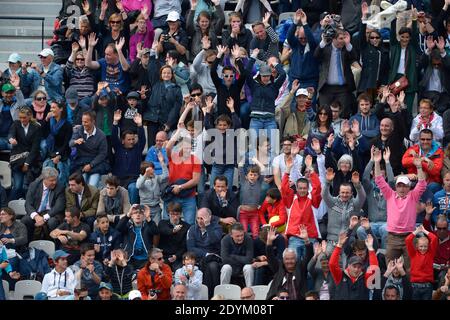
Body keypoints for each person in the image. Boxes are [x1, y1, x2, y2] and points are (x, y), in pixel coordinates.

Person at [374, 147, 427, 270]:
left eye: (404, 186)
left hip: (409, 236)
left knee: (409, 268)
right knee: (390, 268)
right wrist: (377, 162)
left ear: (409, 187)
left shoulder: (413, 196)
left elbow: (422, 184)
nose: (402, 188)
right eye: (399, 186)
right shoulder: (390, 194)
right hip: (392, 237)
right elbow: (379, 180)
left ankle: (408, 289)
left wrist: (419, 167)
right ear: (396, 187)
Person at [282, 155, 321, 260]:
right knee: (293, 264)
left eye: (305, 188)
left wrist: (311, 169)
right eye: (300, 188)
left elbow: (317, 188)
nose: (302, 190)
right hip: (295, 238)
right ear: (297, 188)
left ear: (308, 188)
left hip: (311, 237)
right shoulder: (291, 200)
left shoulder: (313, 200)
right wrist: (287, 170)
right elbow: (284, 188)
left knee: (309, 268)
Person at [322, 168, 366, 255]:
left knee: (348, 265)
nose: (345, 195)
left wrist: (357, 184)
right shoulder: (333, 202)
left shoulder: (355, 204)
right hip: (333, 240)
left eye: (347, 193)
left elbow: (362, 197)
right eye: (342, 192)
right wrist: (327, 182)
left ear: (351, 194)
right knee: (328, 261)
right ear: (339, 192)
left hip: (349, 240)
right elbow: (324, 195)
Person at [314, 28, 358, 118]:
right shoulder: (326, 48)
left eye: (344, 38)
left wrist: (348, 43)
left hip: (343, 89)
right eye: (341, 38)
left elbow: (355, 56)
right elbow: (316, 55)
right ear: (334, 39)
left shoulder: (346, 49)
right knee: (324, 114)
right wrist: (323, 42)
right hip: (326, 88)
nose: (343, 41)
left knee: (343, 114)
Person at [357, 146, 394, 249]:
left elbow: (391, 181)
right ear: (373, 175)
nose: (379, 178)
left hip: (385, 223)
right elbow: (364, 178)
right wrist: (372, 160)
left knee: (386, 230)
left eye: (382, 176)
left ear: (385, 176)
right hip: (372, 223)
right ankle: (369, 253)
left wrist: (387, 161)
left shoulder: (388, 189)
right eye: (377, 175)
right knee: (360, 230)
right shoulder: (369, 188)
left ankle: (382, 255)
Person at [163, 127, 201, 225]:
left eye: (189, 147)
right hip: (173, 195)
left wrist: (180, 187)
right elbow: (167, 147)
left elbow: (195, 180)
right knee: (168, 223)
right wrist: (178, 131)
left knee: (189, 223)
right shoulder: (173, 156)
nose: (187, 149)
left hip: (188, 195)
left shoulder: (195, 160)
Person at [265, 226, 313, 300]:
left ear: (296, 259)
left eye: (292, 259)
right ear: (283, 260)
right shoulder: (278, 267)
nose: (289, 261)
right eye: (287, 259)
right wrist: (269, 242)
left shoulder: (301, 267)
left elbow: (309, 255)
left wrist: (306, 240)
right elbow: (270, 257)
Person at [329, 232, 378, 300]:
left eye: (359, 267)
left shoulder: (365, 278)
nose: (356, 269)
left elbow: (374, 268)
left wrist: (370, 248)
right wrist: (339, 245)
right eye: (354, 266)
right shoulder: (340, 276)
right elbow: (332, 264)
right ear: (348, 266)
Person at [388, 9, 420, 112]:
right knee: (394, 108)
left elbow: (415, 34)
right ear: (399, 37)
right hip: (395, 79)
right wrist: (394, 17)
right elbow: (392, 32)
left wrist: (414, 20)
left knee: (407, 109)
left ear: (410, 38)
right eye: (402, 37)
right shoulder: (394, 46)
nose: (405, 39)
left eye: (407, 37)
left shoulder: (413, 47)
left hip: (409, 79)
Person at [186, 208, 222, 298]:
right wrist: (205, 254)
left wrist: (208, 226)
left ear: (209, 217)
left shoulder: (217, 228)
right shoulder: (192, 229)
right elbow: (190, 248)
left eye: (202, 218)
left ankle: (214, 294)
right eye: (198, 218)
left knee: (212, 266)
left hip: (213, 258)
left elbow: (214, 240)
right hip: (198, 258)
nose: (199, 221)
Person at [22, 167, 65, 241]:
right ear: (44, 179)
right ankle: (27, 244)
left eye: (55, 180)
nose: (54, 182)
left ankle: (53, 244)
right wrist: (36, 216)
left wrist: (44, 218)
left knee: (52, 222)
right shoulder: (34, 185)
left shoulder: (60, 187)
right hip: (37, 213)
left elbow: (59, 206)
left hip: (52, 214)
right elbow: (28, 204)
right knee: (25, 220)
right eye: (51, 180)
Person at [111, 112, 146, 204]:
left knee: (133, 188)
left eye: (133, 139)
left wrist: (139, 125)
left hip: (133, 180)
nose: (131, 142)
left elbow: (142, 139)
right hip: (119, 180)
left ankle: (133, 211)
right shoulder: (118, 148)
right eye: (129, 139)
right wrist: (115, 122)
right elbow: (114, 137)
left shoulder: (137, 149)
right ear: (123, 141)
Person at [144, 64, 183, 145]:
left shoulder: (177, 89)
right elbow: (152, 68)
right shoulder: (155, 84)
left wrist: (169, 123)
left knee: (165, 145)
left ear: (172, 75)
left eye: (168, 73)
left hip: (166, 121)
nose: (166, 75)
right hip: (153, 119)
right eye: (164, 73)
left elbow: (176, 108)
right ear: (161, 74)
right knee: (152, 145)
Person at [9, 106, 42, 200]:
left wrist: (27, 163)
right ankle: (9, 209)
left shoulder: (36, 127)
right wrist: (11, 139)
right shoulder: (16, 124)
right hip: (18, 160)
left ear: (29, 116)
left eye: (24, 117)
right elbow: (11, 134)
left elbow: (35, 148)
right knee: (17, 186)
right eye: (20, 117)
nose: (22, 120)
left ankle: (27, 209)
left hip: (31, 161)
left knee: (27, 187)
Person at [69, 111, 109, 188]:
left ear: (93, 121)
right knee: (81, 185)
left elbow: (102, 154)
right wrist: (75, 142)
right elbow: (70, 143)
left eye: (86, 122)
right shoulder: (79, 130)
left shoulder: (101, 136)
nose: (83, 124)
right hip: (81, 163)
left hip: (96, 164)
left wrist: (91, 165)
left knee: (92, 186)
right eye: (82, 121)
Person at [358, 3, 390, 97]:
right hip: (366, 84)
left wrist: (384, 85)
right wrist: (364, 19)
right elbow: (361, 36)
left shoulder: (384, 51)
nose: (374, 39)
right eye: (372, 38)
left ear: (380, 39)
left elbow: (386, 70)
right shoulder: (365, 47)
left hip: (379, 85)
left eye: (377, 37)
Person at [116, 204, 159, 270]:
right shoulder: (128, 226)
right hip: (131, 259)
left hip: (146, 259)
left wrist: (148, 218)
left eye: (140, 213)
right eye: (135, 213)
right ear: (132, 216)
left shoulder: (148, 226)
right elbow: (118, 228)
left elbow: (155, 231)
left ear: (143, 216)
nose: (138, 215)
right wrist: (128, 215)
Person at [42, 100, 73, 186]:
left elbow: (66, 143)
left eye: (54, 107)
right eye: (51, 107)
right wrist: (46, 119)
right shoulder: (49, 122)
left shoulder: (67, 125)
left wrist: (58, 155)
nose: (51, 109)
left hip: (63, 154)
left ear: (61, 109)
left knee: (61, 172)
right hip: (51, 153)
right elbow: (43, 134)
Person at [287, 10, 319, 90]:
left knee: (309, 103)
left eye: (305, 38)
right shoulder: (295, 44)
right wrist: (295, 22)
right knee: (294, 103)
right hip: (295, 81)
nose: (303, 40)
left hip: (310, 81)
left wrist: (305, 23)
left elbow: (311, 39)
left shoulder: (313, 45)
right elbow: (289, 37)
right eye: (301, 38)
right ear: (297, 37)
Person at [406, 225, 439, 300]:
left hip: (427, 286)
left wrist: (424, 231)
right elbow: (408, 240)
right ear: (417, 246)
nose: (423, 248)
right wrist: (416, 231)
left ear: (428, 246)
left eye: (425, 246)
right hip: (414, 285)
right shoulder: (413, 254)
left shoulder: (430, 253)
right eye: (421, 246)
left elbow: (434, 238)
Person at [420, 37, 450, 114]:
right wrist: (429, 50)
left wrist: (442, 51)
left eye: (438, 64)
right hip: (428, 96)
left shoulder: (445, 68)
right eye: (434, 64)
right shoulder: (427, 66)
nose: (436, 66)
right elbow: (421, 62)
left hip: (442, 97)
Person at [220, 223, 254, 288]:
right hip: (231, 266)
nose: (240, 238)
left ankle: (250, 290)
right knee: (226, 267)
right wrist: (242, 259)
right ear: (231, 235)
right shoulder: (225, 240)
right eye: (237, 236)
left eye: (242, 235)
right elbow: (224, 259)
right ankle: (223, 291)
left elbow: (249, 259)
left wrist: (233, 256)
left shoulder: (248, 239)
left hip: (243, 266)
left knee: (248, 267)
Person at [158, 202, 190, 271]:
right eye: (172, 214)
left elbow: (184, 246)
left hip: (178, 257)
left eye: (177, 214)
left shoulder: (186, 226)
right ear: (168, 214)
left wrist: (176, 256)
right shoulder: (162, 223)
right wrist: (173, 231)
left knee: (180, 271)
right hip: (164, 256)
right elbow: (164, 231)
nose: (175, 217)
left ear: (180, 214)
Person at [65, 42, 96, 109]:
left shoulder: (90, 70)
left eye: (82, 59)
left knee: (82, 104)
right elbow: (68, 66)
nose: (79, 61)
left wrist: (84, 48)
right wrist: (73, 52)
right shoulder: (72, 71)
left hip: (87, 98)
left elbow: (89, 61)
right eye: (77, 59)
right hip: (74, 98)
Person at [0, 75, 24, 151]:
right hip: (0, 138)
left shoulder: (18, 102)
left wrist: (17, 87)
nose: (9, 95)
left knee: (18, 149)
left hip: (13, 137)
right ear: (2, 93)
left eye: (11, 92)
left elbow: (22, 103)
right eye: (7, 92)